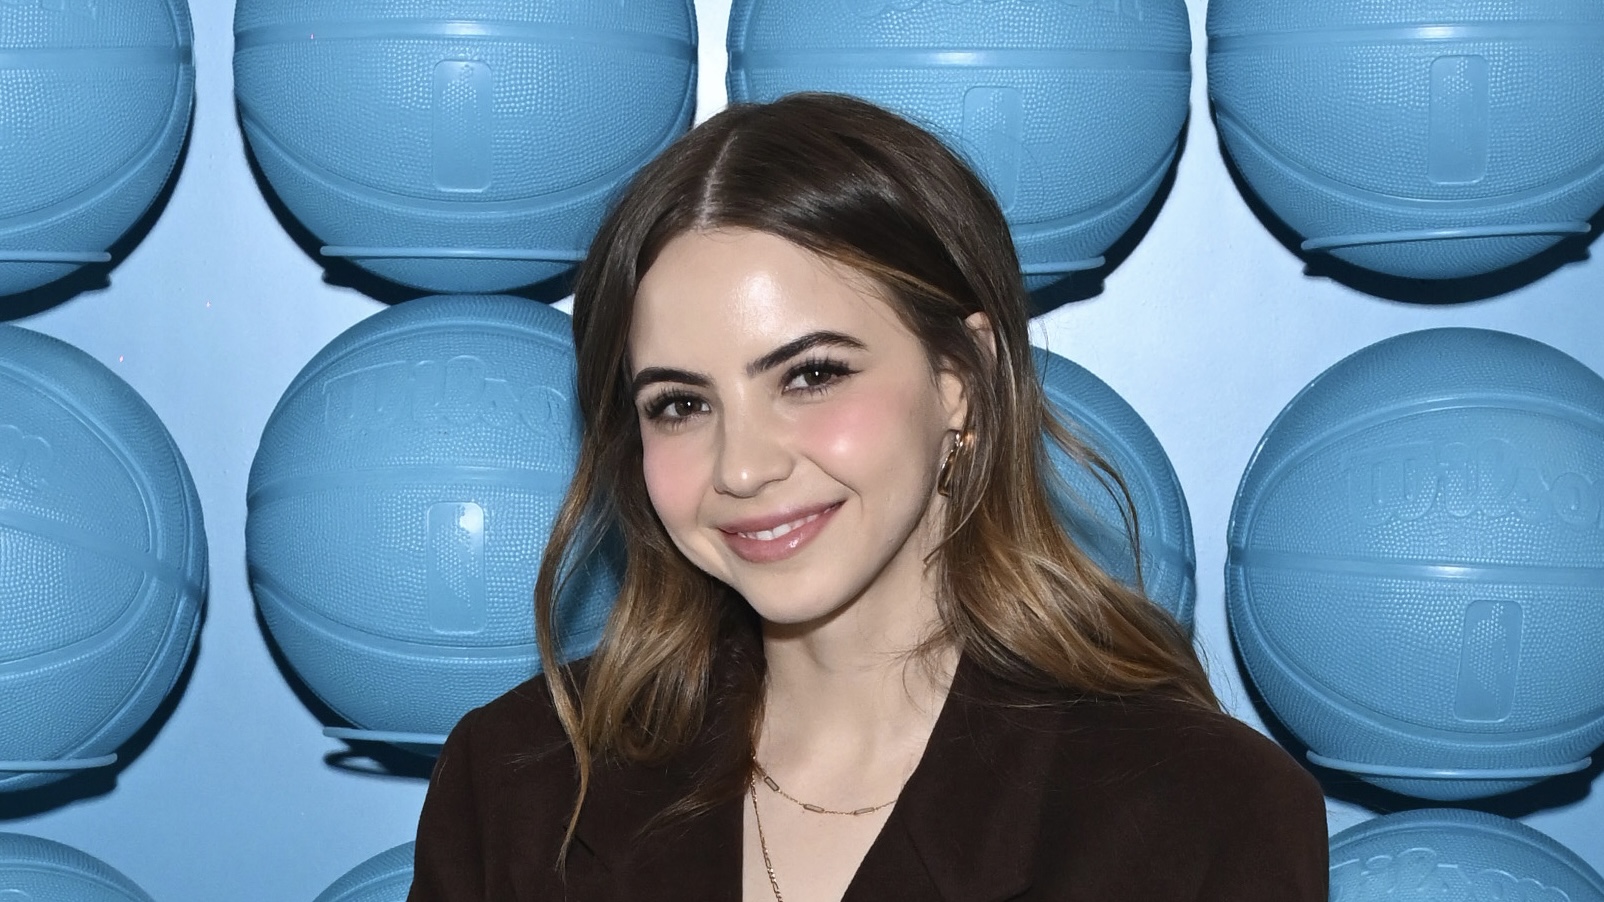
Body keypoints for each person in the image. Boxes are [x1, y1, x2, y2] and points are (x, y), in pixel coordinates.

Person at [407, 93, 1328, 901]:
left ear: (960, 378)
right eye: (681, 404)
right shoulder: (517, 785)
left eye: (809, 375)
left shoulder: (1202, 815)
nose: (742, 467)